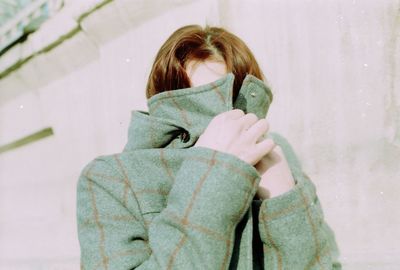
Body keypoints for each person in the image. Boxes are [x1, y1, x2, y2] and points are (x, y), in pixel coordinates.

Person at [76, 24, 342, 269]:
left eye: (233, 96)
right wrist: (214, 173)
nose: (222, 120)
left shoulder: (275, 150)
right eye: (196, 102)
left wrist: (285, 203)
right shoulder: (109, 178)